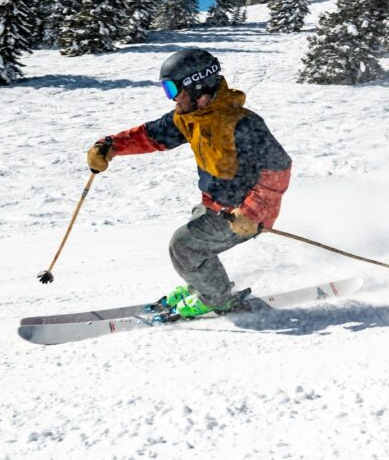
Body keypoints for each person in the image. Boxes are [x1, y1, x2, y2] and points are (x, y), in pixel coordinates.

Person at [87, 48, 291, 319]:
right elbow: (151, 136)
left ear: (197, 87)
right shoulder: (190, 118)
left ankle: (218, 299)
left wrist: (252, 212)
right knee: (194, 245)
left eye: (172, 89)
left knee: (184, 246)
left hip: (244, 214)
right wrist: (111, 146)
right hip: (214, 204)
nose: (171, 98)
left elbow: (278, 167)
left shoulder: (242, 124)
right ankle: (205, 284)